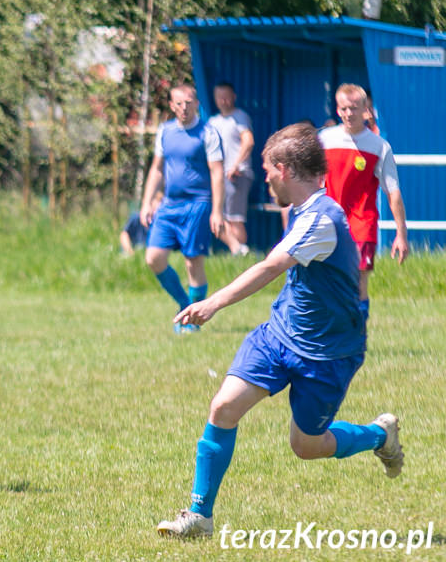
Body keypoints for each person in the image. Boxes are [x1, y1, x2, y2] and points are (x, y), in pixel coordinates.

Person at [155, 123, 403, 539]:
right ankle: (199, 516)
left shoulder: (323, 219)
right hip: (279, 335)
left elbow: (271, 266)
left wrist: (213, 302)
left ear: (285, 170)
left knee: (306, 445)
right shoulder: (304, 211)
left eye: (268, 169)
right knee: (222, 408)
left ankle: (380, 434)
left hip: (328, 353)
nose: (264, 177)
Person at [320, 84, 409, 322]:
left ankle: (358, 335)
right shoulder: (324, 141)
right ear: (338, 110)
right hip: (327, 222)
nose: (349, 113)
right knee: (326, 279)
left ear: (366, 110)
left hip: (362, 223)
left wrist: (401, 234)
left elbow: (393, 192)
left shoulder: (379, 146)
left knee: (358, 279)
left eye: (354, 108)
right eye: (344, 108)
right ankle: (330, 334)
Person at [139, 84, 224, 334]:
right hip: (168, 204)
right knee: (153, 258)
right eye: (179, 103)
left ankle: (192, 321)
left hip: (198, 204)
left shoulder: (208, 132)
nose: (184, 107)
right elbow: (156, 169)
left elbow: (217, 172)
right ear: (171, 105)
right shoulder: (165, 131)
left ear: (196, 103)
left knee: (192, 262)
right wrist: (147, 202)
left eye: (188, 102)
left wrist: (217, 211)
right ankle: (185, 305)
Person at [208, 82, 254, 256]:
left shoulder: (240, 116)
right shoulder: (213, 121)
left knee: (235, 219)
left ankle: (241, 253)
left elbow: (248, 141)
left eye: (226, 97)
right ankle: (238, 249)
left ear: (234, 97)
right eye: (219, 97)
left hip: (237, 174)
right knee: (217, 214)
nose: (223, 101)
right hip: (218, 175)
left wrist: (236, 165)